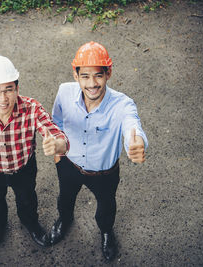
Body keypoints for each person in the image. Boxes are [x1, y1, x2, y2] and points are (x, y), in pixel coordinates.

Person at [0, 55, 69, 253]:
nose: (3, 98)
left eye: (9, 89)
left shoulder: (32, 108)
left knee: (27, 199)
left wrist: (57, 144)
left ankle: (30, 223)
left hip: (23, 167)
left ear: (17, 87)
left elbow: (55, 133)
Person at [50, 41, 148, 261]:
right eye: (85, 76)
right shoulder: (64, 92)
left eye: (98, 76)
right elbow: (56, 122)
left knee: (106, 208)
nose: (92, 84)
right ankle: (64, 221)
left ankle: (106, 232)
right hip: (69, 165)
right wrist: (58, 152)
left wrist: (137, 143)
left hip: (104, 173)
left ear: (108, 73)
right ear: (75, 75)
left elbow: (132, 126)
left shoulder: (123, 104)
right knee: (65, 199)